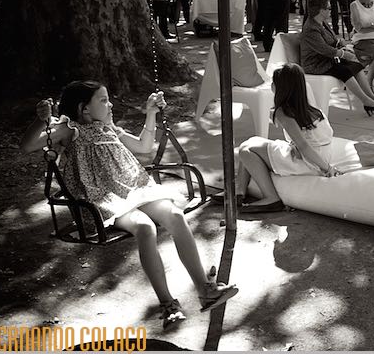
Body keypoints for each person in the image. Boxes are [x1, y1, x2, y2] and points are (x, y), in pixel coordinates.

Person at [19, 82, 238, 327]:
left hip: (135, 189)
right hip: (104, 198)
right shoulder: (70, 130)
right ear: (84, 110)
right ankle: (168, 303)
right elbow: (28, 146)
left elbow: (144, 147)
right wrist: (42, 120)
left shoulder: (110, 129)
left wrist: (152, 113)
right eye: (103, 100)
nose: (110, 104)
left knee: (175, 215)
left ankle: (205, 290)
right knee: (145, 227)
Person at [231, 64, 342, 214]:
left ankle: (271, 198)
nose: (271, 85)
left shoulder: (284, 112)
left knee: (245, 151)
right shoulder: (311, 109)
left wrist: (327, 169)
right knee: (251, 142)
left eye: (274, 83)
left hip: (308, 162)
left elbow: (303, 145)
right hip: (317, 156)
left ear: (281, 88)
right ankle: (239, 192)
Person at [300, 0, 374, 114]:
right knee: (344, 70)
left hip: (326, 59)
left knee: (356, 66)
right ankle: (366, 101)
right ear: (321, 11)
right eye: (329, 8)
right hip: (316, 64)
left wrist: (339, 42)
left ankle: (372, 98)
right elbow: (323, 49)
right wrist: (342, 53)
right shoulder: (311, 28)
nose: (331, 11)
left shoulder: (322, 23)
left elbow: (330, 41)